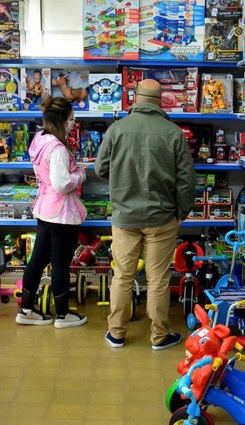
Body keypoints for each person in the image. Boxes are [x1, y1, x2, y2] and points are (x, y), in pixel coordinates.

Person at [95, 79, 196, 350]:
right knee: (158, 279)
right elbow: (187, 181)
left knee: (122, 276)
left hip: (124, 217)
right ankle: (159, 336)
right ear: (160, 102)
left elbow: (100, 169)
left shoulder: (117, 129)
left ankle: (116, 333)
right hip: (162, 218)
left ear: (135, 99)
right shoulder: (173, 133)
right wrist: (181, 212)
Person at [16, 96, 88, 328]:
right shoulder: (57, 148)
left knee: (37, 260)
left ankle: (26, 310)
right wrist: (80, 175)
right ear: (62, 120)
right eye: (71, 119)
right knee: (60, 264)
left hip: (45, 208)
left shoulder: (40, 139)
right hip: (62, 213)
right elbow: (62, 183)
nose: (72, 123)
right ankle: (63, 315)